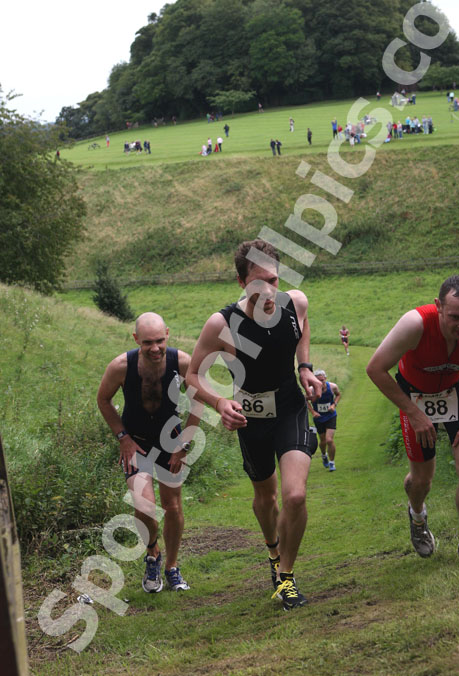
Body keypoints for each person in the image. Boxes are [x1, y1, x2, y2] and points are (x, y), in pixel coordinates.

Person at [185, 239, 322, 611]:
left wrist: (305, 367)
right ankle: (274, 553)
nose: (267, 290)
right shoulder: (222, 323)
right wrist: (219, 402)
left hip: (290, 408)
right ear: (240, 282)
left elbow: (304, 326)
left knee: (295, 495)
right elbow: (193, 375)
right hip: (250, 418)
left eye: (273, 280)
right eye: (258, 282)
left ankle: (286, 577)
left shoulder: (295, 302)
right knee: (266, 498)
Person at [366, 275, 459, 563]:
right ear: (438, 306)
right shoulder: (415, 324)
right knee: (422, 480)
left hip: (457, 390)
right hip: (414, 397)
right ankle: (417, 516)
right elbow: (376, 369)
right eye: (454, 317)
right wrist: (414, 414)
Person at [97, 313, 200, 592]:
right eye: (147, 343)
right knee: (144, 505)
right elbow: (103, 399)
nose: (155, 348)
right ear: (135, 340)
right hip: (137, 442)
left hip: (171, 441)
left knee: (173, 506)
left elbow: (198, 401)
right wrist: (123, 438)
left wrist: (184, 444)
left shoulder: (182, 362)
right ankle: (153, 553)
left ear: (167, 334)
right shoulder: (121, 366)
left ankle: (172, 568)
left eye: (159, 341)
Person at [309, 370, 341, 471]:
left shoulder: (332, 387)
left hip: (331, 416)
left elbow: (338, 395)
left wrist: (333, 405)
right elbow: (305, 401)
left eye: (322, 380)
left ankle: (332, 463)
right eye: (317, 381)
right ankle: (323, 455)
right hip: (319, 418)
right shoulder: (311, 390)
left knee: (329, 440)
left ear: (325, 379)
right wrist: (313, 412)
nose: (320, 383)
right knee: (322, 441)